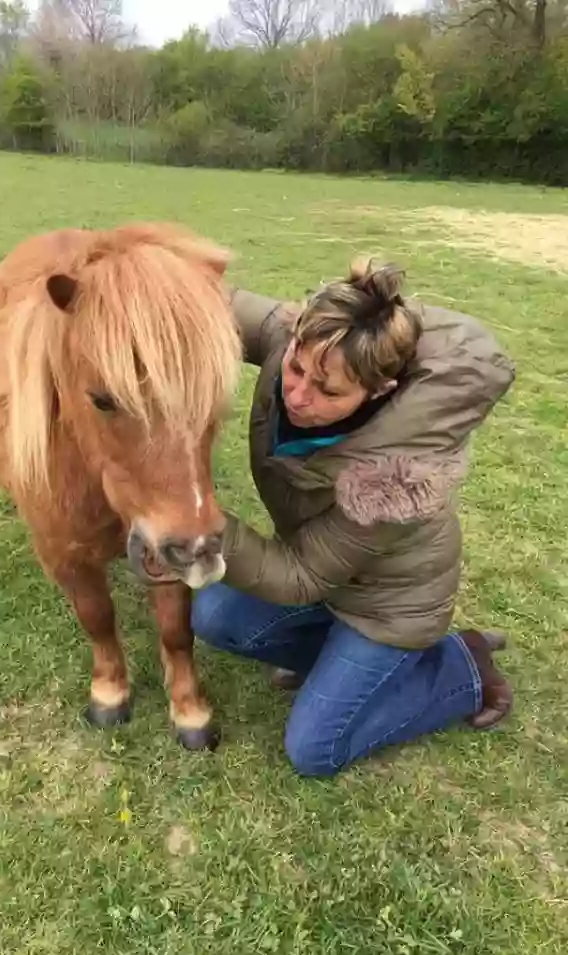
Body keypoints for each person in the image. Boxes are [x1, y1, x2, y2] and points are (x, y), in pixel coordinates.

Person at [192, 257, 516, 777]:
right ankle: (337, 670)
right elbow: (208, 303)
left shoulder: (394, 473)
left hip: (386, 610)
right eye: (296, 369)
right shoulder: (308, 343)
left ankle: (464, 667)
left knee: (314, 749)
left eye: (328, 392)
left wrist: (202, 521)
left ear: (379, 392)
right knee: (212, 613)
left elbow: (301, 575)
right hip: (332, 583)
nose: (297, 395)